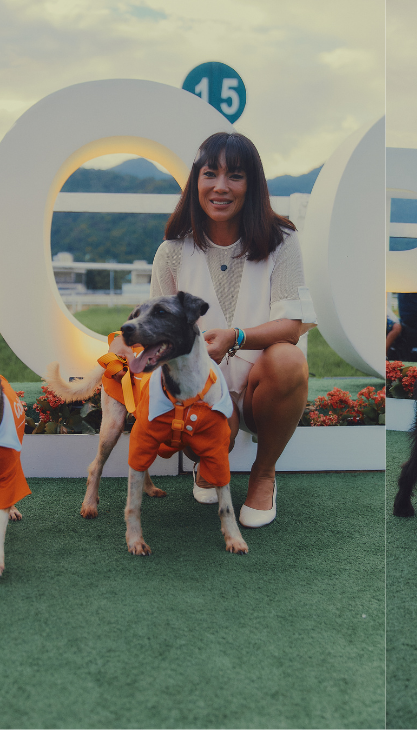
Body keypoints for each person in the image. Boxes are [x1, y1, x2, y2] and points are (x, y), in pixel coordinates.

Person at [150, 131, 316, 528]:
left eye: (235, 176)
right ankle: (211, 457)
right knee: (192, 395)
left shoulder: (283, 241)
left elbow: (292, 326)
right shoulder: (173, 252)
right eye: (211, 174)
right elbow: (158, 332)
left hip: (264, 385)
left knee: (289, 359)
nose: (221, 187)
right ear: (197, 182)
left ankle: (263, 473)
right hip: (205, 390)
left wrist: (235, 337)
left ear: (252, 185)